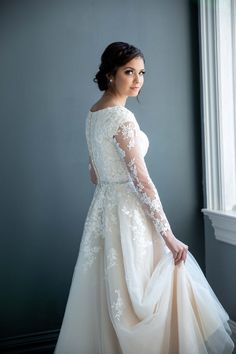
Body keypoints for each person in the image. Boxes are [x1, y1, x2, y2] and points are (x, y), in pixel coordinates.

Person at [54, 42, 234, 354]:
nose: (138, 79)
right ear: (110, 74)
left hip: (103, 211)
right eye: (129, 72)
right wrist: (169, 236)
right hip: (129, 215)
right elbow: (143, 182)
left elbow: (95, 174)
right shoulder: (122, 119)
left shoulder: (94, 113)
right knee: (144, 293)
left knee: (111, 294)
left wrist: (112, 184)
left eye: (141, 73)